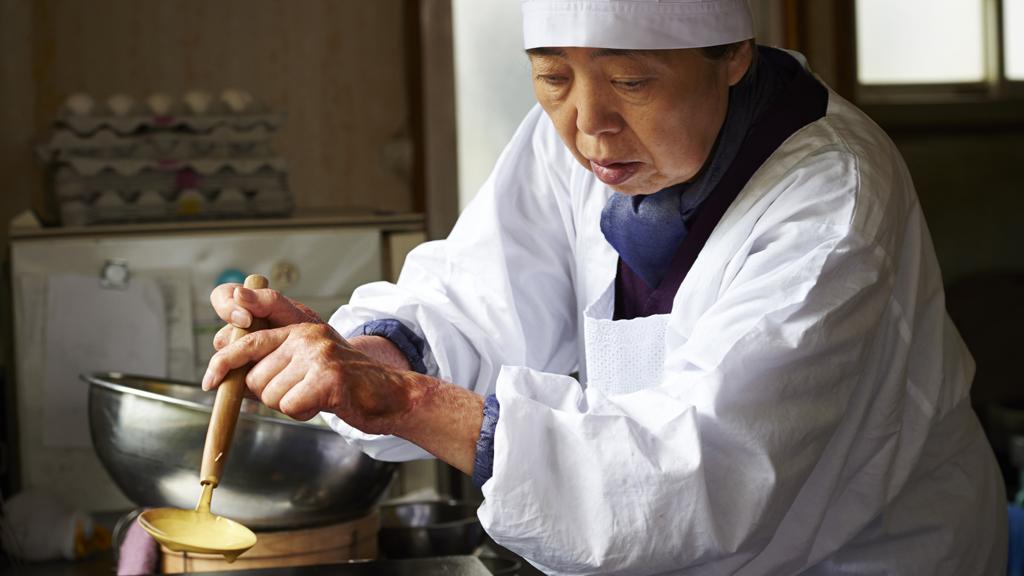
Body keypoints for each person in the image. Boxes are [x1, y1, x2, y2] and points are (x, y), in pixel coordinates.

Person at [203, 0, 1007, 573]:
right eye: (552, 78)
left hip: (854, 552)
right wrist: (361, 356)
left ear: (733, 57)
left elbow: (699, 473)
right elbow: (480, 295)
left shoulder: (830, 204)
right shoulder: (576, 141)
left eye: (630, 82)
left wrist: (400, 399)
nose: (589, 125)